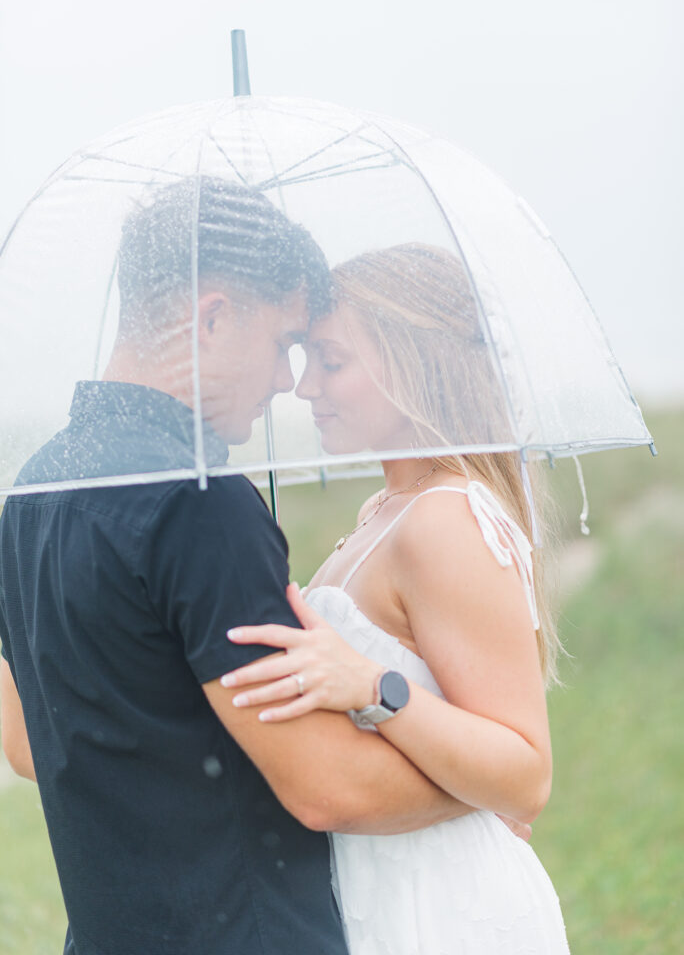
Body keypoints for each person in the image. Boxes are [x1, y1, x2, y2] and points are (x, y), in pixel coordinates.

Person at [0, 195, 487, 955]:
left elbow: (26, 746)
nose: (285, 381)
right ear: (214, 317)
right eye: (285, 341)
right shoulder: (201, 502)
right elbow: (325, 788)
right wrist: (483, 789)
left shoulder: (31, 489)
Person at [220, 243, 572, 952]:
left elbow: (526, 773)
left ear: (415, 364)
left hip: (442, 908)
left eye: (332, 361)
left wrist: (370, 685)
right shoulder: (386, 511)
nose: (304, 386)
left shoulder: (446, 520)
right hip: (378, 891)